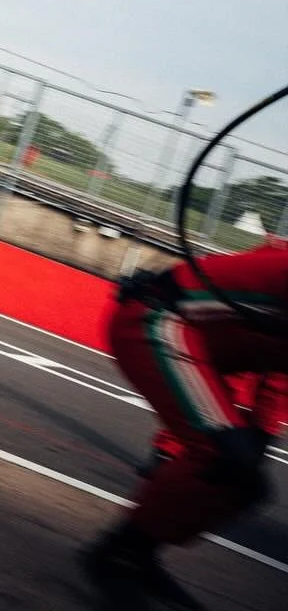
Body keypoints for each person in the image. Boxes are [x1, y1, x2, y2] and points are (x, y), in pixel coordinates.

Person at [82, 240, 288, 610]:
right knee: (225, 460)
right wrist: (257, 432)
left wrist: (262, 431)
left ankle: (136, 552)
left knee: (242, 479)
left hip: (193, 340)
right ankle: (114, 556)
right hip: (157, 321)